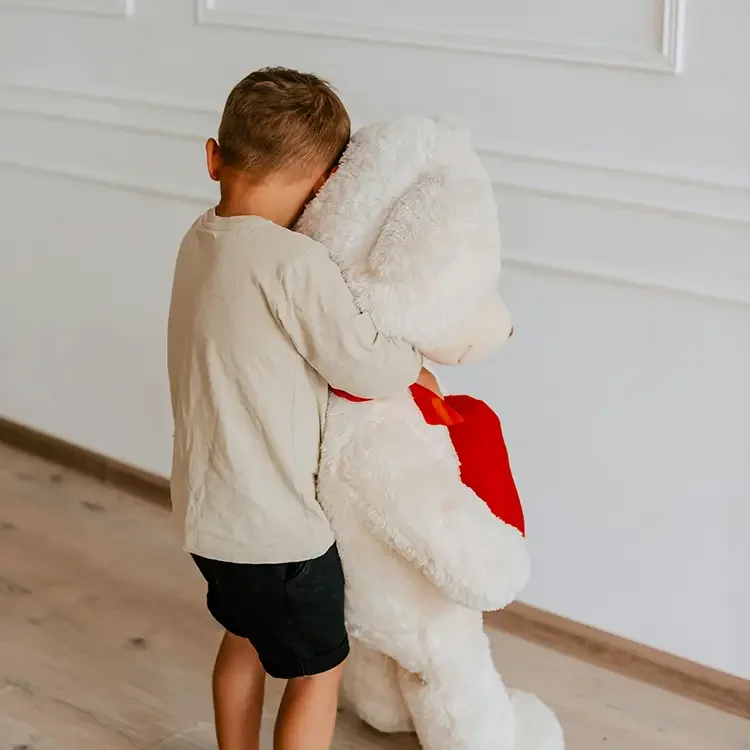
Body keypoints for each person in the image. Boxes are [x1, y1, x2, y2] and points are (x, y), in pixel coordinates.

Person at [167, 67, 434, 750]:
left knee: (245, 636)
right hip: (277, 533)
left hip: (206, 516)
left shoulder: (200, 238)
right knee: (319, 670)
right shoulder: (295, 263)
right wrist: (417, 363)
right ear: (322, 189)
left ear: (213, 156)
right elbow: (362, 364)